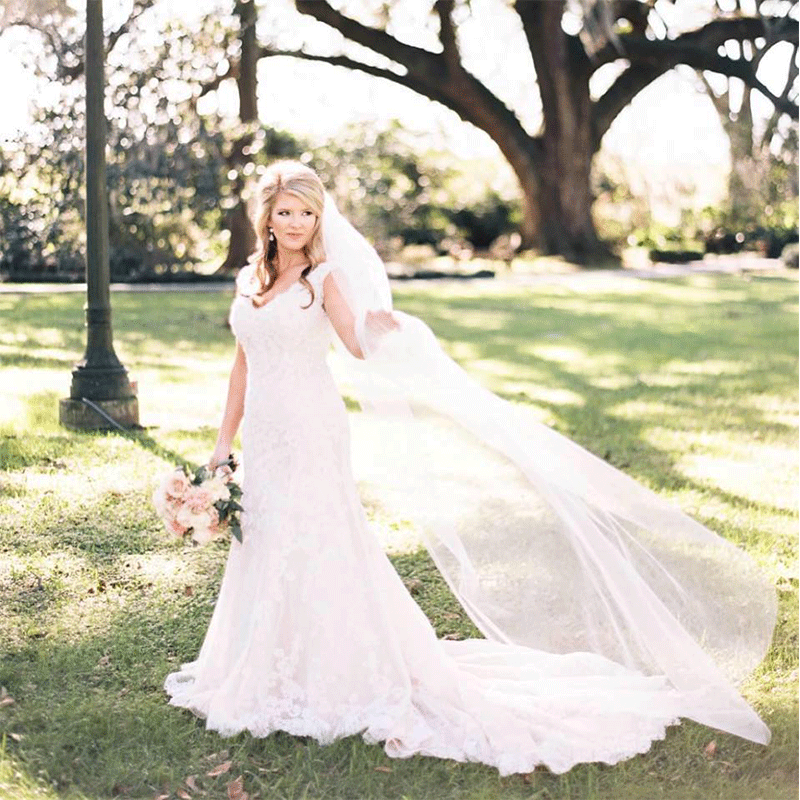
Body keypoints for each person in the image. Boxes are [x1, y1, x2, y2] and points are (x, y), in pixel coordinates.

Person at [163, 159, 775, 776]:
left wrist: (386, 327)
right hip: (266, 433)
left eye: (306, 213)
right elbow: (242, 365)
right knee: (266, 535)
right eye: (285, 212)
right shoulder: (248, 281)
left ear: (317, 219)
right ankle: (266, 659)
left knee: (318, 534)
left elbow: (352, 343)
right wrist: (222, 443)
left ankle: (338, 668)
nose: (294, 223)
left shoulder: (322, 279)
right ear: (265, 217)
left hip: (313, 427)